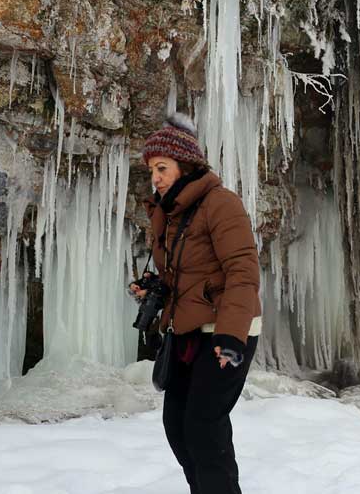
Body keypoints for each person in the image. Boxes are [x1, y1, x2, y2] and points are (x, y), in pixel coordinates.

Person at [133, 112, 262, 494]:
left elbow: (242, 271)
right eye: (151, 170)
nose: (154, 177)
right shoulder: (171, 213)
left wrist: (231, 337)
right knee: (177, 427)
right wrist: (157, 288)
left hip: (226, 332)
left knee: (204, 427)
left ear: (185, 165)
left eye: (161, 167)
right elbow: (188, 273)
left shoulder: (220, 203)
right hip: (189, 331)